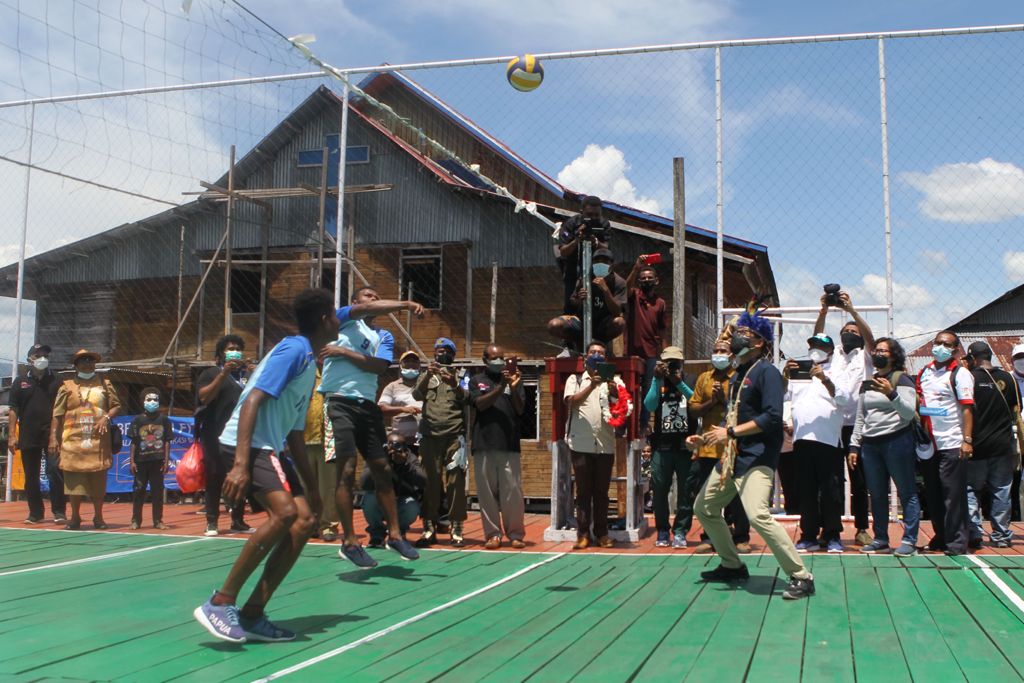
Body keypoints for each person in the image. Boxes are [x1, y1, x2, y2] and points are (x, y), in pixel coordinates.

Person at [193, 288, 336, 644]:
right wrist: (240, 465)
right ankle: (220, 601)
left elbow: (296, 434)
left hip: (271, 448)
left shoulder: (310, 364)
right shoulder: (294, 350)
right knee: (285, 513)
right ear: (324, 321)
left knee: (304, 520)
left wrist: (314, 490)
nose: (339, 320)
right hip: (246, 445)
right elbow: (253, 401)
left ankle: (253, 614)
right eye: (335, 315)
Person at [690, 307, 815, 600]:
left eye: (744, 333)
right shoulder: (739, 375)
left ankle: (801, 576)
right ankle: (732, 565)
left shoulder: (767, 372)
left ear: (759, 342)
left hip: (756, 458)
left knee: (758, 514)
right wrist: (707, 437)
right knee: (704, 508)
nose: (736, 337)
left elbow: (771, 417)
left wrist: (730, 433)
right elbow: (734, 417)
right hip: (733, 458)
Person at [319, 286, 424, 568]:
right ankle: (350, 542)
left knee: (382, 468)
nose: (375, 300)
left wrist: (342, 351)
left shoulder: (383, 336)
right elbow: (364, 313)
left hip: (367, 405)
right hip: (338, 401)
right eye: (369, 296)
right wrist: (405, 303)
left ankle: (394, 535)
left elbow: (378, 366)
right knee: (347, 469)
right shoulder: (344, 319)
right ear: (354, 302)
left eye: (378, 297)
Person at [847, 338, 921, 556]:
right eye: (876, 350)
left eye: (883, 351)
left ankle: (909, 540)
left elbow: (908, 413)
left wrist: (892, 393)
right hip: (871, 445)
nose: (878, 354)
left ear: (893, 355)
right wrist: (854, 445)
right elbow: (861, 416)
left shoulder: (902, 379)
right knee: (877, 494)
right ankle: (880, 538)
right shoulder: (868, 382)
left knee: (907, 492)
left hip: (897, 440)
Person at [813, 291, 875, 547]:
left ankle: (861, 528)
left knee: (859, 481)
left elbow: (870, 337)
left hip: (859, 426)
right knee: (831, 481)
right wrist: (824, 312)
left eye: (854, 330)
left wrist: (852, 311)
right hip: (833, 424)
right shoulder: (834, 353)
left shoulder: (867, 356)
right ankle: (830, 528)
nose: (848, 332)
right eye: (845, 330)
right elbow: (817, 339)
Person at [784, 333, 850, 554]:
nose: (815, 349)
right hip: (802, 439)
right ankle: (808, 535)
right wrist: (785, 376)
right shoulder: (798, 372)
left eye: (821, 346)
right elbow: (783, 398)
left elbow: (844, 400)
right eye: (812, 345)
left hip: (829, 439)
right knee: (806, 490)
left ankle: (832, 535)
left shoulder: (839, 369)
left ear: (831, 350)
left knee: (831, 490)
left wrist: (825, 379)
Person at [685, 339, 751, 554]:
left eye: (723, 351)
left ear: (732, 355)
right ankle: (709, 537)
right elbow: (693, 410)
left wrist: (723, 400)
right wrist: (713, 402)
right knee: (707, 494)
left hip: (733, 446)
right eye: (715, 351)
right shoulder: (704, 378)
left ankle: (740, 536)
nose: (718, 354)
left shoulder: (739, 378)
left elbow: (743, 411)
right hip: (709, 447)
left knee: (736, 495)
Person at [564, 340, 628, 550]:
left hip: (605, 445)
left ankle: (602, 533)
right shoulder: (575, 378)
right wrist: (592, 385)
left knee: (601, 492)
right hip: (580, 443)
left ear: (606, 359)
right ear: (585, 357)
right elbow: (569, 401)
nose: (597, 356)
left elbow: (622, 408)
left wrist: (614, 392)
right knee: (583, 492)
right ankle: (582, 535)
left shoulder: (616, 382)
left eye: (601, 353)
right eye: (593, 352)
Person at [49, 350, 121, 531]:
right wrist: (53, 438)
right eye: (83, 361)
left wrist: (106, 417)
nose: (88, 364)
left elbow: (116, 405)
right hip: (72, 441)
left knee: (98, 481)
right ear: (76, 365)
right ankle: (75, 517)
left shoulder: (105, 383)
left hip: (97, 441)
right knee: (74, 482)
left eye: (91, 361)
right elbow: (57, 415)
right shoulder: (66, 386)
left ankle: (98, 517)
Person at [917, 330, 974, 556]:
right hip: (929, 445)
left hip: (952, 442)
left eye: (947, 344)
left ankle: (957, 542)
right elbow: (920, 403)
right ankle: (940, 536)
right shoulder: (925, 372)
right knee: (933, 493)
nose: (941, 347)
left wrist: (967, 440)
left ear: (956, 349)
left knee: (953, 494)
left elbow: (967, 408)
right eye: (938, 343)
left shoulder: (960, 374)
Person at [469, 345, 527, 550]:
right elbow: (480, 404)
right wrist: (500, 387)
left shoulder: (515, 381)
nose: (499, 362)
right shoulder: (476, 380)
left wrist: (512, 386)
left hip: (509, 444)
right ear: (485, 360)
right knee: (486, 493)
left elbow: (520, 410)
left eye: (502, 358)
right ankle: (493, 534)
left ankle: (515, 534)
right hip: (483, 443)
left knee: (512, 492)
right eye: (495, 358)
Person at [963, 341, 1020, 548]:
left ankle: (974, 533)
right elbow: (1016, 410)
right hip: (1003, 445)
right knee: (1002, 490)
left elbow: (965, 410)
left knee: (970, 490)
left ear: (972, 358)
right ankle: (1001, 536)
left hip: (976, 445)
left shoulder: (969, 379)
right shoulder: (1008, 378)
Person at [412, 338, 468, 547]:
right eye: (437, 351)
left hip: (454, 435)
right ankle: (428, 528)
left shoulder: (462, 375)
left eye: (444, 352)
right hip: (429, 436)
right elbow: (417, 394)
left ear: (452, 355)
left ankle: (456, 528)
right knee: (431, 481)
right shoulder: (426, 375)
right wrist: (428, 374)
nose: (440, 355)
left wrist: (455, 384)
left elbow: (469, 398)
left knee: (456, 481)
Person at [196, 335, 251, 536]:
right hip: (215, 435)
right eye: (230, 348)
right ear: (221, 353)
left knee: (239, 476)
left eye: (238, 348)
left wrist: (255, 375)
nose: (235, 351)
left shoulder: (245, 376)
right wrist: (223, 373)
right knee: (215, 476)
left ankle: (238, 520)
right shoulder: (211, 373)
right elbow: (204, 396)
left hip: (241, 435)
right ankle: (212, 521)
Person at [8, 343, 66, 524]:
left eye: (46, 355)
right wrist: (11, 435)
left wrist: (56, 436)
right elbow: (13, 409)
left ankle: (59, 511)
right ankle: (36, 513)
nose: (43, 359)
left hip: (52, 434)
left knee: (55, 470)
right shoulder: (20, 382)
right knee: (31, 475)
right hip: (28, 434)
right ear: (29, 359)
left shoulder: (57, 380)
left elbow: (63, 408)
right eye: (38, 355)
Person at [643, 346, 694, 548]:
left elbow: (695, 400)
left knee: (685, 491)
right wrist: (656, 379)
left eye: (676, 362)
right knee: (660, 490)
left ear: (682, 363)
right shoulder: (658, 380)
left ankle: (680, 531)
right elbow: (649, 405)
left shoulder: (690, 380)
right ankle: (663, 530)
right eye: (668, 362)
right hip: (662, 446)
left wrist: (678, 382)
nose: (672, 366)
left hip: (685, 446)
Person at [548, 248, 627, 354]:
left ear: (611, 265)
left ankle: (601, 343)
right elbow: (573, 301)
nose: (600, 263)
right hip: (582, 321)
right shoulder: (585, 278)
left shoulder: (619, 282)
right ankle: (576, 341)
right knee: (554, 325)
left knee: (619, 322)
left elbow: (617, 312)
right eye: (597, 261)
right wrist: (579, 299)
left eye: (604, 261)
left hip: (603, 324)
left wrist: (606, 291)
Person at [626, 256, 668, 432]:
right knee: (629, 388)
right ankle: (626, 422)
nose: (646, 280)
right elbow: (625, 287)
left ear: (656, 281)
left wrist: (666, 355)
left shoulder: (660, 303)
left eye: (650, 277)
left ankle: (644, 424)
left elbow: (662, 331)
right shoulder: (634, 295)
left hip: (651, 353)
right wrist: (636, 267)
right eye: (643, 278)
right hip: (632, 352)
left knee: (649, 389)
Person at [362, 433, 426, 548]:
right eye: (390, 446)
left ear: (405, 448)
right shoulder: (377, 456)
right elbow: (363, 483)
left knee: (412, 506)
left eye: (397, 446)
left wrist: (405, 464)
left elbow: (423, 481)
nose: (393, 450)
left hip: (401, 502)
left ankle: (399, 532)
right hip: (381, 502)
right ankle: (377, 534)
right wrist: (380, 464)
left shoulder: (410, 458)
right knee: (369, 499)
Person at [555, 195, 612, 315]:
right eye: (590, 215)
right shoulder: (571, 224)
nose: (594, 218)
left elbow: (607, 248)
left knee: (597, 307)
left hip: (596, 272)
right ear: (582, 212)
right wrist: (577, 240)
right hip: (573, 270)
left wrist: (595, 241)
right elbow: (563, 251)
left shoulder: (604, 224)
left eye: (597, 215)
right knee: (572, 306)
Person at [302, 367, 339, 542]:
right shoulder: (304, 372)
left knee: (328, 486)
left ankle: (328, 525)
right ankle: (309, 524)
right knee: (305, 486)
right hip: (303, 437)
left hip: (330, 439)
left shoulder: (338, 372)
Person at [128, 387, 172, 530]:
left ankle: (158, 520)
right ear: (143, 402)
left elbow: (167, 441)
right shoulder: (137, 420)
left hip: (157, 461)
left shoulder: (164, 420)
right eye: (149, 400)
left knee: (157, 491)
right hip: (140, 461)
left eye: (155, 400)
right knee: (139, 489)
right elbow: (134, 442)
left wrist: (166, 460)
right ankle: (136, 520)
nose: (152, 402)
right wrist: (132, 461)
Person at [378, 351, 424, 446]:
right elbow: (381, 408)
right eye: (407, 361)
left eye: (414, 361)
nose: (410, 363)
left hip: (425, 440)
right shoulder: (392, 387)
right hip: (402, 442)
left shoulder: (426, 385)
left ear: (419, 365)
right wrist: (404, 409)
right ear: (401, 365)